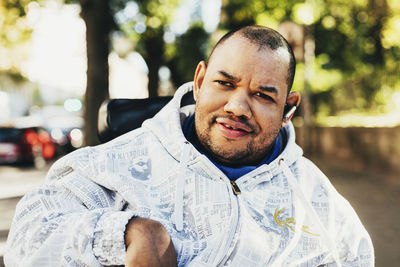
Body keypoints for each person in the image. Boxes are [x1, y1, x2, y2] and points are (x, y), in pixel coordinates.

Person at [5, 25, 374, 266]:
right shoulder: (118, 164)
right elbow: (27, 238)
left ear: (288, 109)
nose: (237, 107)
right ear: (199, 82)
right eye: (224, 84)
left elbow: (357, 256)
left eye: (262, 95)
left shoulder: (314, 195)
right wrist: (130, 234)